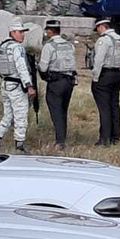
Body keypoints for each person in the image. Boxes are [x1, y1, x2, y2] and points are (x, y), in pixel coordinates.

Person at [0, 22, 36, 153]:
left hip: (5, 84)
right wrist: (29, 86)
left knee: (8, 114)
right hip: (17, 85)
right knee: (20, 114)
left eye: (23, 32)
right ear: (13, 33)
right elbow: (21, 67)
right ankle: (19, 144)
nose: (23, 35)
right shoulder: (17, 48)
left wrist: (3, 75)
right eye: (20, 32)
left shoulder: (2, 46)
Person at [38, 19, 77, 150]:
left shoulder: (49, 46)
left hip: (55, 81)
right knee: (63, 110)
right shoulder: (69, 45)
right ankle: (62, 137)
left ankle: (60, 141)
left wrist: (44, 76)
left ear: (49, 31)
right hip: (69, 81)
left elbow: (43, 67)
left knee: (56, 110)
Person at [90, 18, 120, 147]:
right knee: (114, 106)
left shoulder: (103, 40)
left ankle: (104, 138)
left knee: (104, 108)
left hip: (105, 74)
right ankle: (115, 136)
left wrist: (95, 78)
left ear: (101, 27)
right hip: (117, 73)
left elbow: (99, 60)